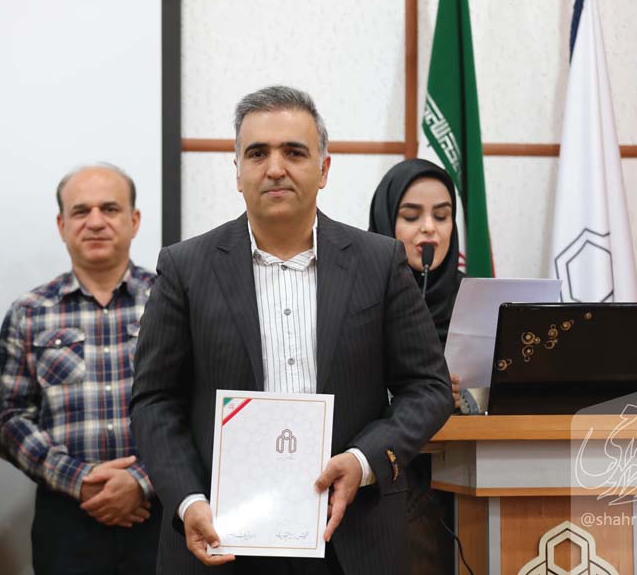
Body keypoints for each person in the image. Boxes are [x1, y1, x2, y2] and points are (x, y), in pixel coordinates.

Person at [130, 85, 455, 575]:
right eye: (257, 153)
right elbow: (155, 400)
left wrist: (363, 460)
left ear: (323, 169)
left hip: (352, 536)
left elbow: (428, 388)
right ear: (237, 171)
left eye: (294, 152)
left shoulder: (379, 262)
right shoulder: (184, 268)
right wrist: (188, 500)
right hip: (220, 536)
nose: (275, 168)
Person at [0, 165, 159, 575]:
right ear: (62, 225)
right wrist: (79, 479)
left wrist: (141, 480)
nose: (95, 222)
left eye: (110, 209)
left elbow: (198, 403)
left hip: (161, 514)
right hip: (67, 520)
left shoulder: (171, 301)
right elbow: (8, 417)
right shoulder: (29, 312)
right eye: (81, 211)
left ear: (134, 220)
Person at [369, 158, 465, 575]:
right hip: (391, 483)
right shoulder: (361, 298)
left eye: (441, 216)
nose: (429, 229)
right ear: (386, 223)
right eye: (411, 217)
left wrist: (471, 396)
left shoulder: (475, 298)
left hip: (473, 473)